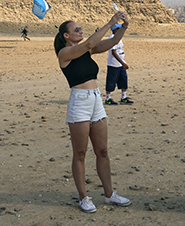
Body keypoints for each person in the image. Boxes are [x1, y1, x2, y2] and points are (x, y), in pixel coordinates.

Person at [55, 12, 132, 213]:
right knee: (80, 154)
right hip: (79, 103)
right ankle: (83, 197)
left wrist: (124, 26)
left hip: (96, 100)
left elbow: (112, 41)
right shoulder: (65, 54)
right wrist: (110, 22)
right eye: (76, 29)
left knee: (102, 151)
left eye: (81, 29)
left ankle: (109, 194)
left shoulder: (86, 50)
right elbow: (88, 44)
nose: (81, 31)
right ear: (66, 36)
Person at [105, 23, 132, 105]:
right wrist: (123, 63)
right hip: (114, 64)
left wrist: (123, 63)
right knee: (111, 81)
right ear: (115, 30)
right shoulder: (112, 38)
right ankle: (108, 99)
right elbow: (114, 52)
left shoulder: (118, 38)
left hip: (120, 63)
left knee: (123, 80)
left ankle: (124, 97)